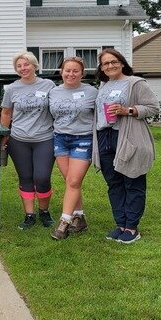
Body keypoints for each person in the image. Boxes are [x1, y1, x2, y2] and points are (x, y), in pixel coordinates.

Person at [92, 48, 159, 244]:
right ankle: (120, 224)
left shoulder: (135, 83)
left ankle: (131, 227)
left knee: (132, 180)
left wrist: (127, 110)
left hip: (128, 137)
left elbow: (153, 107)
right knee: (114, 183)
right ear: (102, 68)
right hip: (104, 136)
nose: (110, 66)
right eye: (106, 63)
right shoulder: (103, 86)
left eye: (114, 62)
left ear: (122, 63)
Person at [0, 51, 56, 230]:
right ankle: (29, 215)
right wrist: (4, 134)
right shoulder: (12, 88)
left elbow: (56, 108)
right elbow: (6, 112)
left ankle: (44, 211)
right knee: (25, 177)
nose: (23, 68)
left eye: (26, 64)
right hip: (19, 139)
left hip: (44, 138)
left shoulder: (48, 85)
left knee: (42, 177)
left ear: (34, 65)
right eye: (19, 66)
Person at [47, 57, 98, 240]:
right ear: (61, 72)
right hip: (60, 138)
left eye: (75, 71)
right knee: (70, 181)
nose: (71, 74)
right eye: (67, 70)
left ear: (82, 73)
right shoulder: (53, 92)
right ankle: (80, 217)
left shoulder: (92, 92)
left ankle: (64, 221)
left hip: (83, 139)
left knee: (74, 181)